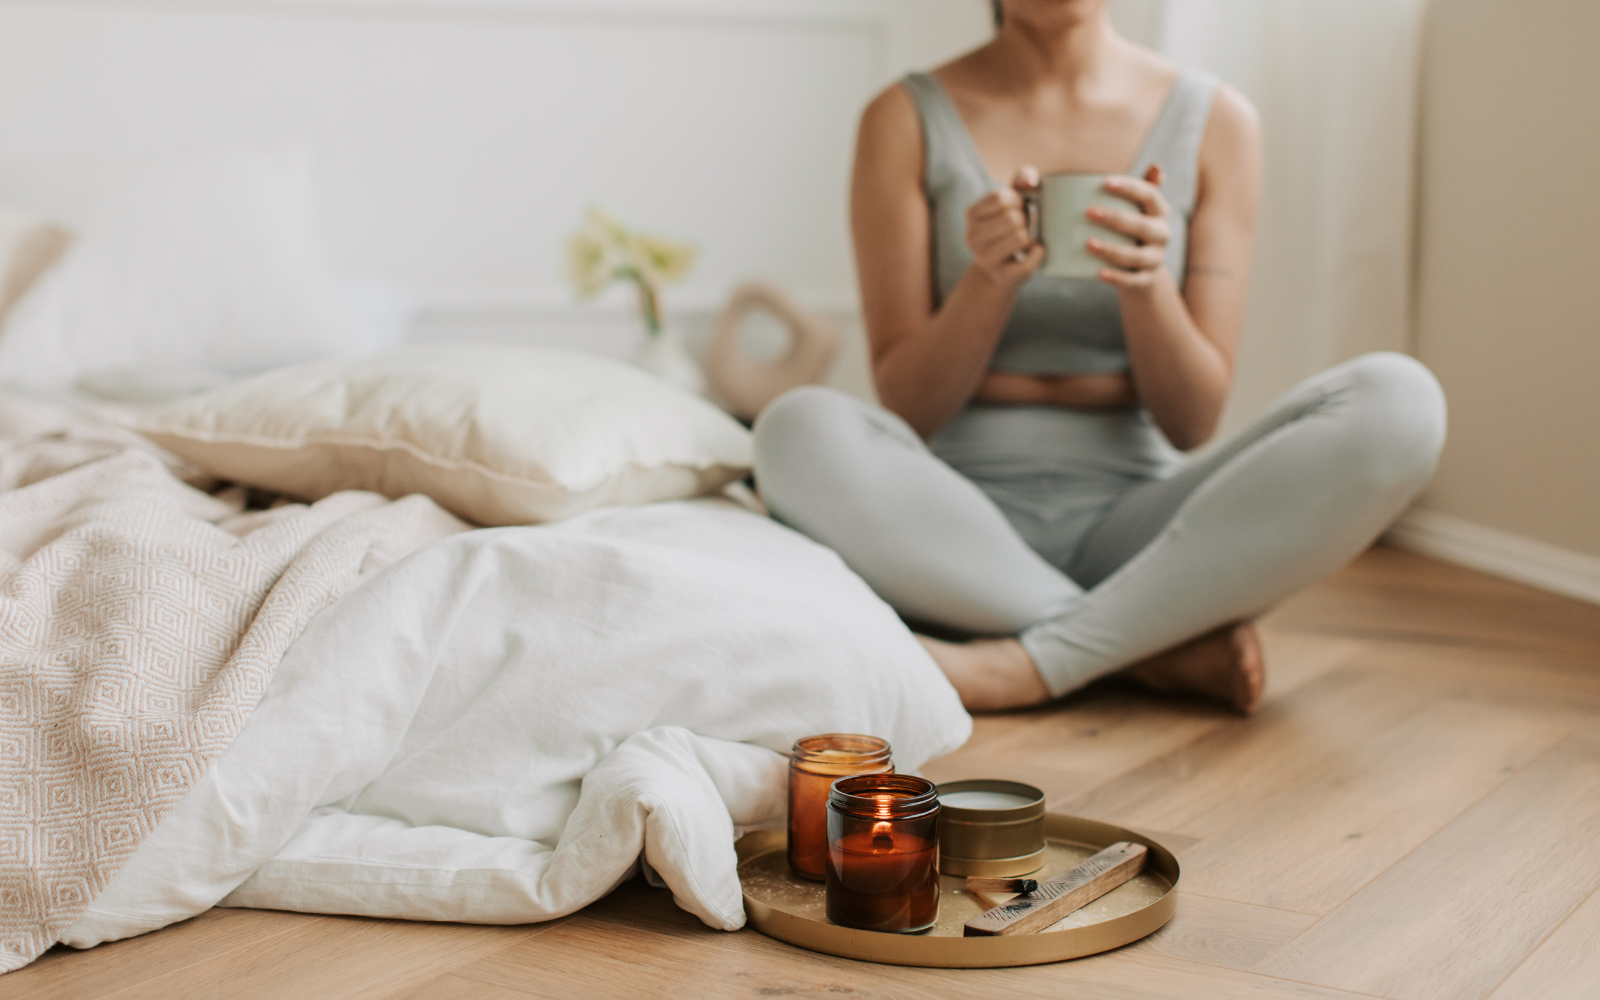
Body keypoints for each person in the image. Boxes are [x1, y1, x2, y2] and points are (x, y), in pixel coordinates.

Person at [752, 0, 1446, 714]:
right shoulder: (900, 118)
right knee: (793, 427)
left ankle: (1029, 661)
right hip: (953, 527)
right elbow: (910, 406)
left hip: (1144, 526)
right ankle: (1148, 647)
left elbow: (1192, 419)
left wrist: (1147, 288)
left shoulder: (1218, 121)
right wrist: (986, 285)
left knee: (1401, 401)